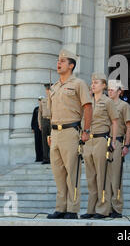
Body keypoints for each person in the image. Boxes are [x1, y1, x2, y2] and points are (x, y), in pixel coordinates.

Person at [47, 49, 92, 220]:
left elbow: (88, 107)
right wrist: (50, 133)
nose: (59, 63)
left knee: (72, 172)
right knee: (58, 173)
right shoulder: (54, 87)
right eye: (58, 60)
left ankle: (72, 208)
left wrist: (86, 130)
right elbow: (51, 113)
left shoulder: (78, 84)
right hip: (55, 133)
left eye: (63, 61)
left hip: (70, 132)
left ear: (71, 65)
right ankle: (60, 207)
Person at [81, 73, 118, 219]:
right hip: (88, 141)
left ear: (103, 86)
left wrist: (113, 141)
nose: (93, 84)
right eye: (92, 82)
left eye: (96, 82)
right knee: (91, 177)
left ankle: (103, 209)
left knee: (102, 176)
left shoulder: (107, 101)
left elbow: (114, 122)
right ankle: (91, 209)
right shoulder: (88, 102)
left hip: (101, 140)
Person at [107, 80, 130, 218]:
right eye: (109, 89)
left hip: (117, 142)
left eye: (113, 89)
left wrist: (127, 145)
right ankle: (106, 206)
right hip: (105, 142)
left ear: (119, 91)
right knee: (106, 177)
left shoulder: (124, 105)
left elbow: (129, 126)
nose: (110, 91)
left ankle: (116, 208)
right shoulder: (105, 104)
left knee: (116, 177)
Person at [38, 84, 52, 164]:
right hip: (44, 121)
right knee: (44, 140)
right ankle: (45, 158)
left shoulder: (54, 99)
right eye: (47, 90)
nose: (48, 91)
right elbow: (39, 113)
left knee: (52, 140)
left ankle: (52, 157)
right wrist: (40, 124)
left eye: (49, 89)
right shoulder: (43, 100)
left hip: (51, 120)